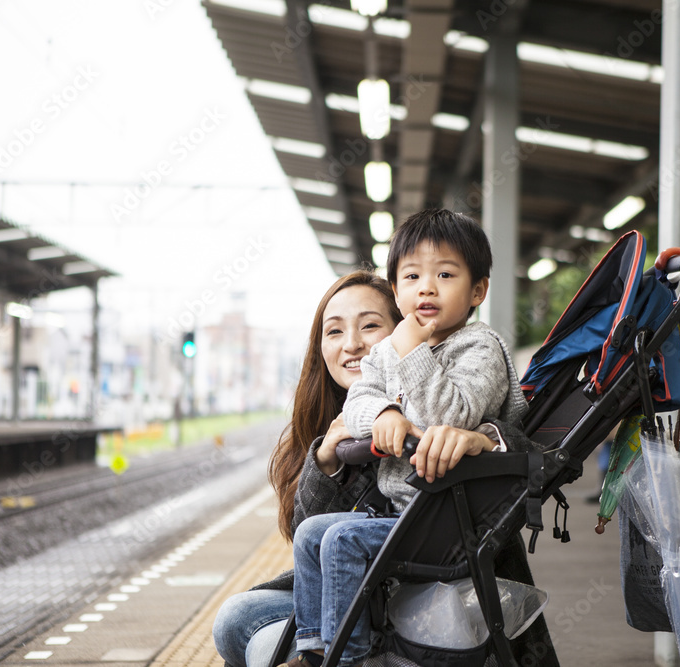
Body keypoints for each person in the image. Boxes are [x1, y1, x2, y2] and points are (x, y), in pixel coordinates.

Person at [212, 269, 560, 667]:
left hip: (427, 592)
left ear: (405, 329)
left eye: (371, 326)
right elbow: (305, 540)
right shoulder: (339, 417)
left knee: (261, 648)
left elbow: (523, 442)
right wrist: (325, 461)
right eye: (335, 332)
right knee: (234, 619)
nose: (353, 346)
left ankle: (339, 657)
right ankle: (318, 652)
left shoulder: (446, 385)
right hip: (354, 591)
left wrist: (483, 438)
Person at [288, 209, 528, 667]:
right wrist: (383, 411)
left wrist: (413, 349)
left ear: (478, 290)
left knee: (339, 540)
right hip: (402, 514)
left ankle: (350, 658)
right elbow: (355, 402)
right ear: (396, 292)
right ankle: (315, 649)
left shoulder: (481, 348)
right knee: (311, 533)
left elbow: (448, 414)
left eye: (445, 274)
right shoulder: (386, 351)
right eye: (413, 276)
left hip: (451, 518)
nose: (428, 287)